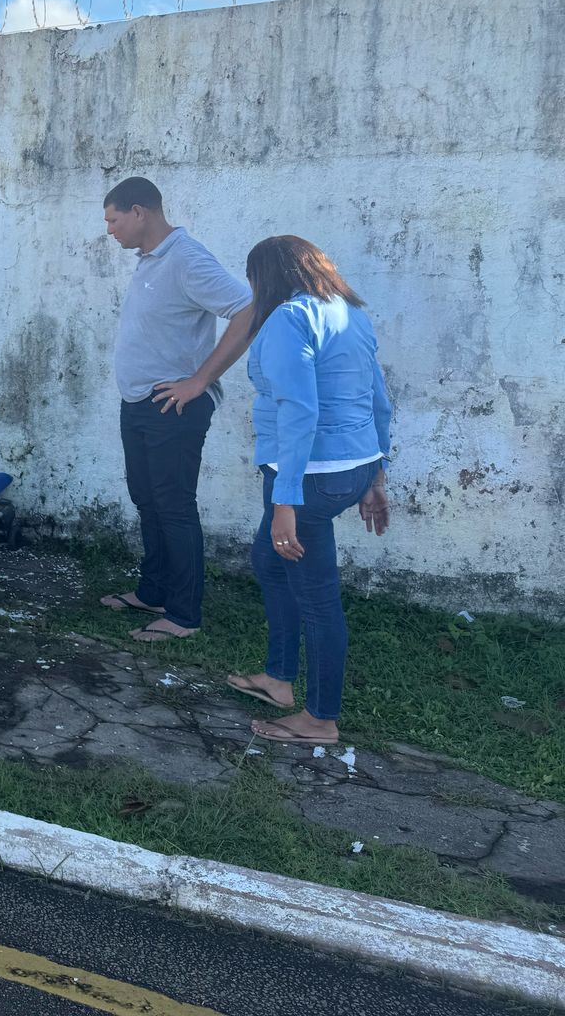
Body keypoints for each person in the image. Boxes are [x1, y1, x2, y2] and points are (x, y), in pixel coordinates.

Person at [225, 237, 392, 747]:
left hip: (308, 477)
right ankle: (278, 677)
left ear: (266, 277)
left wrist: (285, 502)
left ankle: (320, 719)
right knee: (269, 562)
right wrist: (376, 475)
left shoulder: (288, 320)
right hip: (352, 467)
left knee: (317, 599)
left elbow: (299, 410)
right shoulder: (350, 313)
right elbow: (378, 398)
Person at [101, 176, 254, 642]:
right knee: (147, 500)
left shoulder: (186, 258)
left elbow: (248, 309)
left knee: (174, 507)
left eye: (113, 219)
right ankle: (154, 592)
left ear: (139, 212)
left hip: (173, 406)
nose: (109, 230)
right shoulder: (151, 261)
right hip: (140, 403)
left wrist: (201, 380)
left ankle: (184, 616)